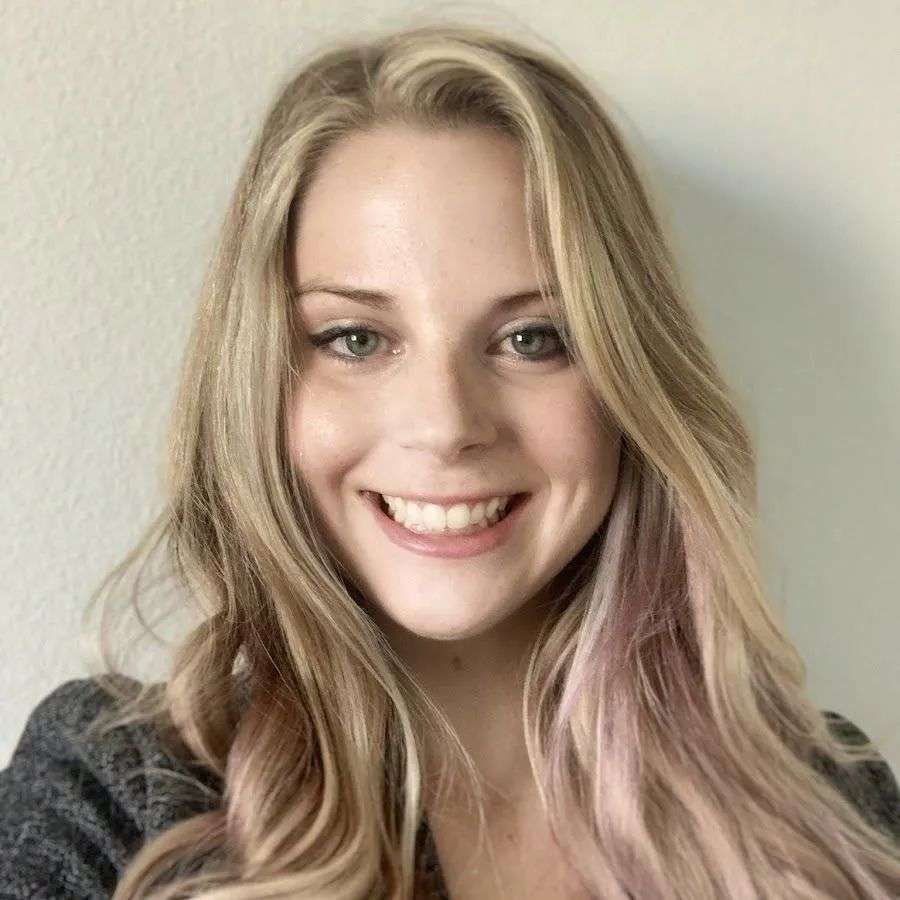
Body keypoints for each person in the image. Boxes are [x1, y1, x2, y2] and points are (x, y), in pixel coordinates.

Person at [1, 19, 898, 900]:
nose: (445, 425)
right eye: (356, 339)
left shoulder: (827, 806)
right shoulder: (117, 794)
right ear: (256, 382)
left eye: (533, 338)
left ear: (633, 378)